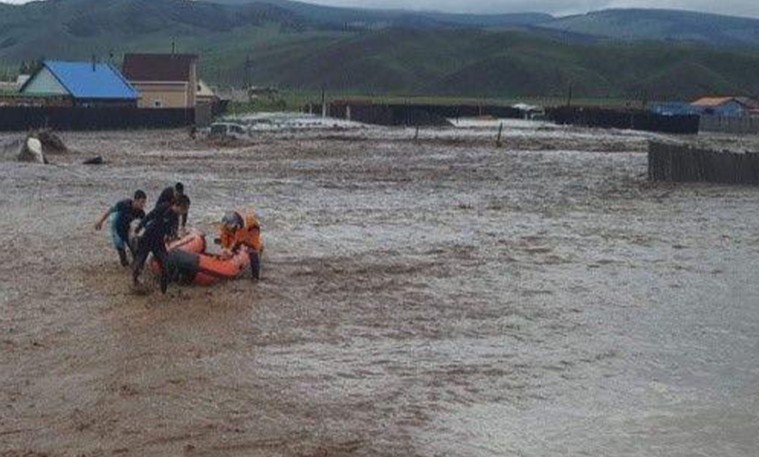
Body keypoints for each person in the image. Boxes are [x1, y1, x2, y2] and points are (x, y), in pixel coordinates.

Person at [131, 198, 189, 293]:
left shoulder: (175, 218)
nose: (184, 212)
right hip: (147, 238)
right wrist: (138, 229)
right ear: (179, 206)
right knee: (139, 262)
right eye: (185, 209)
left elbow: (172, 232)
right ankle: (135, 285)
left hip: (158, 242)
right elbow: (149, 216)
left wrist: (173, 236)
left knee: (166, 265)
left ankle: (163, 292)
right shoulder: (164, 207)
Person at [94, 190, 147, 267]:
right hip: (116, 226)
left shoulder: (141, 213)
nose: (143, 205)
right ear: (135, 200)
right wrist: (100, 221)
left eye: (144, 202)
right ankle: (124, 263)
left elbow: (145, 224)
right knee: (120, 246)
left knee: (135, 250)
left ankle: (135, 265)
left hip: (126, 229)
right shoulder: (124, 204)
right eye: (141, 202)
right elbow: (111, 210)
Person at [217, 210, 264, 279]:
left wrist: (246, 243)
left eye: (233, 227)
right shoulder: (225, 226)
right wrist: (226, 249)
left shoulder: (251, 225)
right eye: (229, 227)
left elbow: (254, 242)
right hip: (237, 235)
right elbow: (225, 239)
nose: (230, 228)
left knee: (253, 251)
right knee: (229, 249)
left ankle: (255, 277)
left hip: (249, 234)